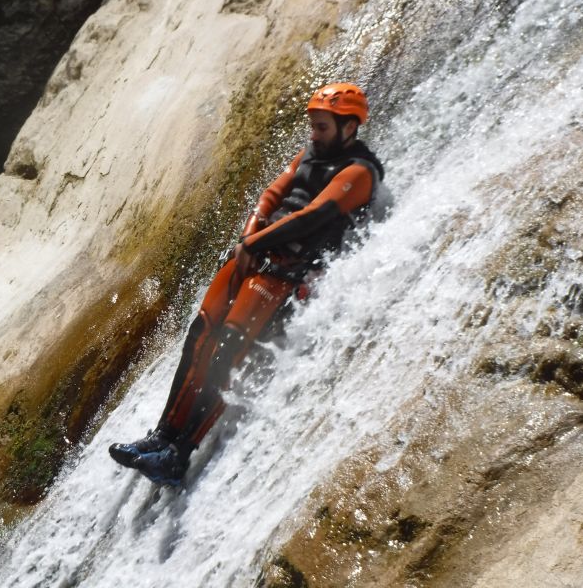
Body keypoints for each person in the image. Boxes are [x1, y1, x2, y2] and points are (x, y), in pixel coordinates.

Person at [109, 83, 385, 485]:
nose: (313, 134)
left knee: (228, 352)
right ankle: (160, 437)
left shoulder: (360, 171)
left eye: (322, 127)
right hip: (256, 255)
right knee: (201, 335)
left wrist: (256, 242)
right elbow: (273, 194)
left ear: (348, 127)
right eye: (313, 126)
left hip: (286, 271)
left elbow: (313, 215)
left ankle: (179, 455)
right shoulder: (311, 153)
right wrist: (248, 239)